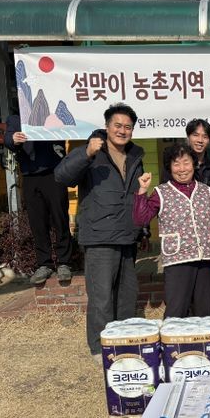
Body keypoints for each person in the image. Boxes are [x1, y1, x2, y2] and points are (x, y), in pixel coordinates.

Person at [54, 103, 144, 362]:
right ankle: (100, 347)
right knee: (101, 296)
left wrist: (142, 230)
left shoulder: (135, 155)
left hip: (128, 235)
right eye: (118, 125)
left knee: (126, 296)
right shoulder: (92, 150)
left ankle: (124, 341)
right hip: (99, 236)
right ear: (107, 126)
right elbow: (62, 176)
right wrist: (86, 153)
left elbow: (136, 195)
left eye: (128, 127)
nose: (122, 130)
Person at [134, 143, 210, 318]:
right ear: (170, 167)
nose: (182, 169)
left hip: (206, 258)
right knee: (176, 310)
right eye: (176, 163)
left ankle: (202, 337)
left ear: (194, 164)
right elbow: (140, 219)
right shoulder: (161, 192)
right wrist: (142, 190)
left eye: (186, 162)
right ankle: (173, 337)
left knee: (205, 311)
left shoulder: (205, 190)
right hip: (177, 260)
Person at [5, 116, 73, 285]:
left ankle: (64, 262)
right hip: (29, 174)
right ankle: (44, 264)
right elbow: (8, 138)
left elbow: (70, 124)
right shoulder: (17, 117)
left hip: (54, 171)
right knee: (37, 222)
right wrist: (13, 139)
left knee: (60, 218)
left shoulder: (53, 111)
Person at [181, 118, 210, 189]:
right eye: (195, 135)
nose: (200, 140)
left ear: (209, 141)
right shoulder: (177, 164)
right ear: (188, 137)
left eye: (205, 137)